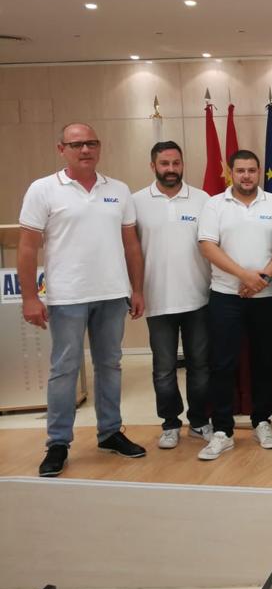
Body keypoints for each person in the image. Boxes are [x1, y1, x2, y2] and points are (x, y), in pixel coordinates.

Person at [18, 123, 147, 477]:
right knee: (65, 369)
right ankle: (58, 443)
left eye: (91, 143)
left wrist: (136, 289)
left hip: (112, 294)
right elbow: (27, 247)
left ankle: (110, 432)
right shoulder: (43, 189)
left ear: (99, 147)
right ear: (61, 149)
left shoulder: (118, 190)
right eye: (76, 145)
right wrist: (29, 297)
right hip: (67, 296)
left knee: (110, 365)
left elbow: (131, 245)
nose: (85, 150)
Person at [197, 149, 272, 460]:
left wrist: (262, 278)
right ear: (231, 173)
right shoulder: (214, 204)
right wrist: (244, 276)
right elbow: (207, 246)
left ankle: (262, 422)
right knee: (222, 364)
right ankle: (223, 430)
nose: (246, 176)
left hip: (267, 297)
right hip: (225, 296)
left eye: (251, 170)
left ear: (259, 172)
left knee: (264, 361)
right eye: (240, 170)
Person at [132, 141, 212, 449]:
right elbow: (130, 250)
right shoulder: (136, 201)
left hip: (198, 298)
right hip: (157, 299)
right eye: (164, 164)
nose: (171, 169)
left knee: (200, 366)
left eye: (176, 163)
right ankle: (170, 423)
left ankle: (200, 421)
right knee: (163, 369)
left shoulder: (203, 199)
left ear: (182, 165)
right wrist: (135, 291)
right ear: (153, 166)